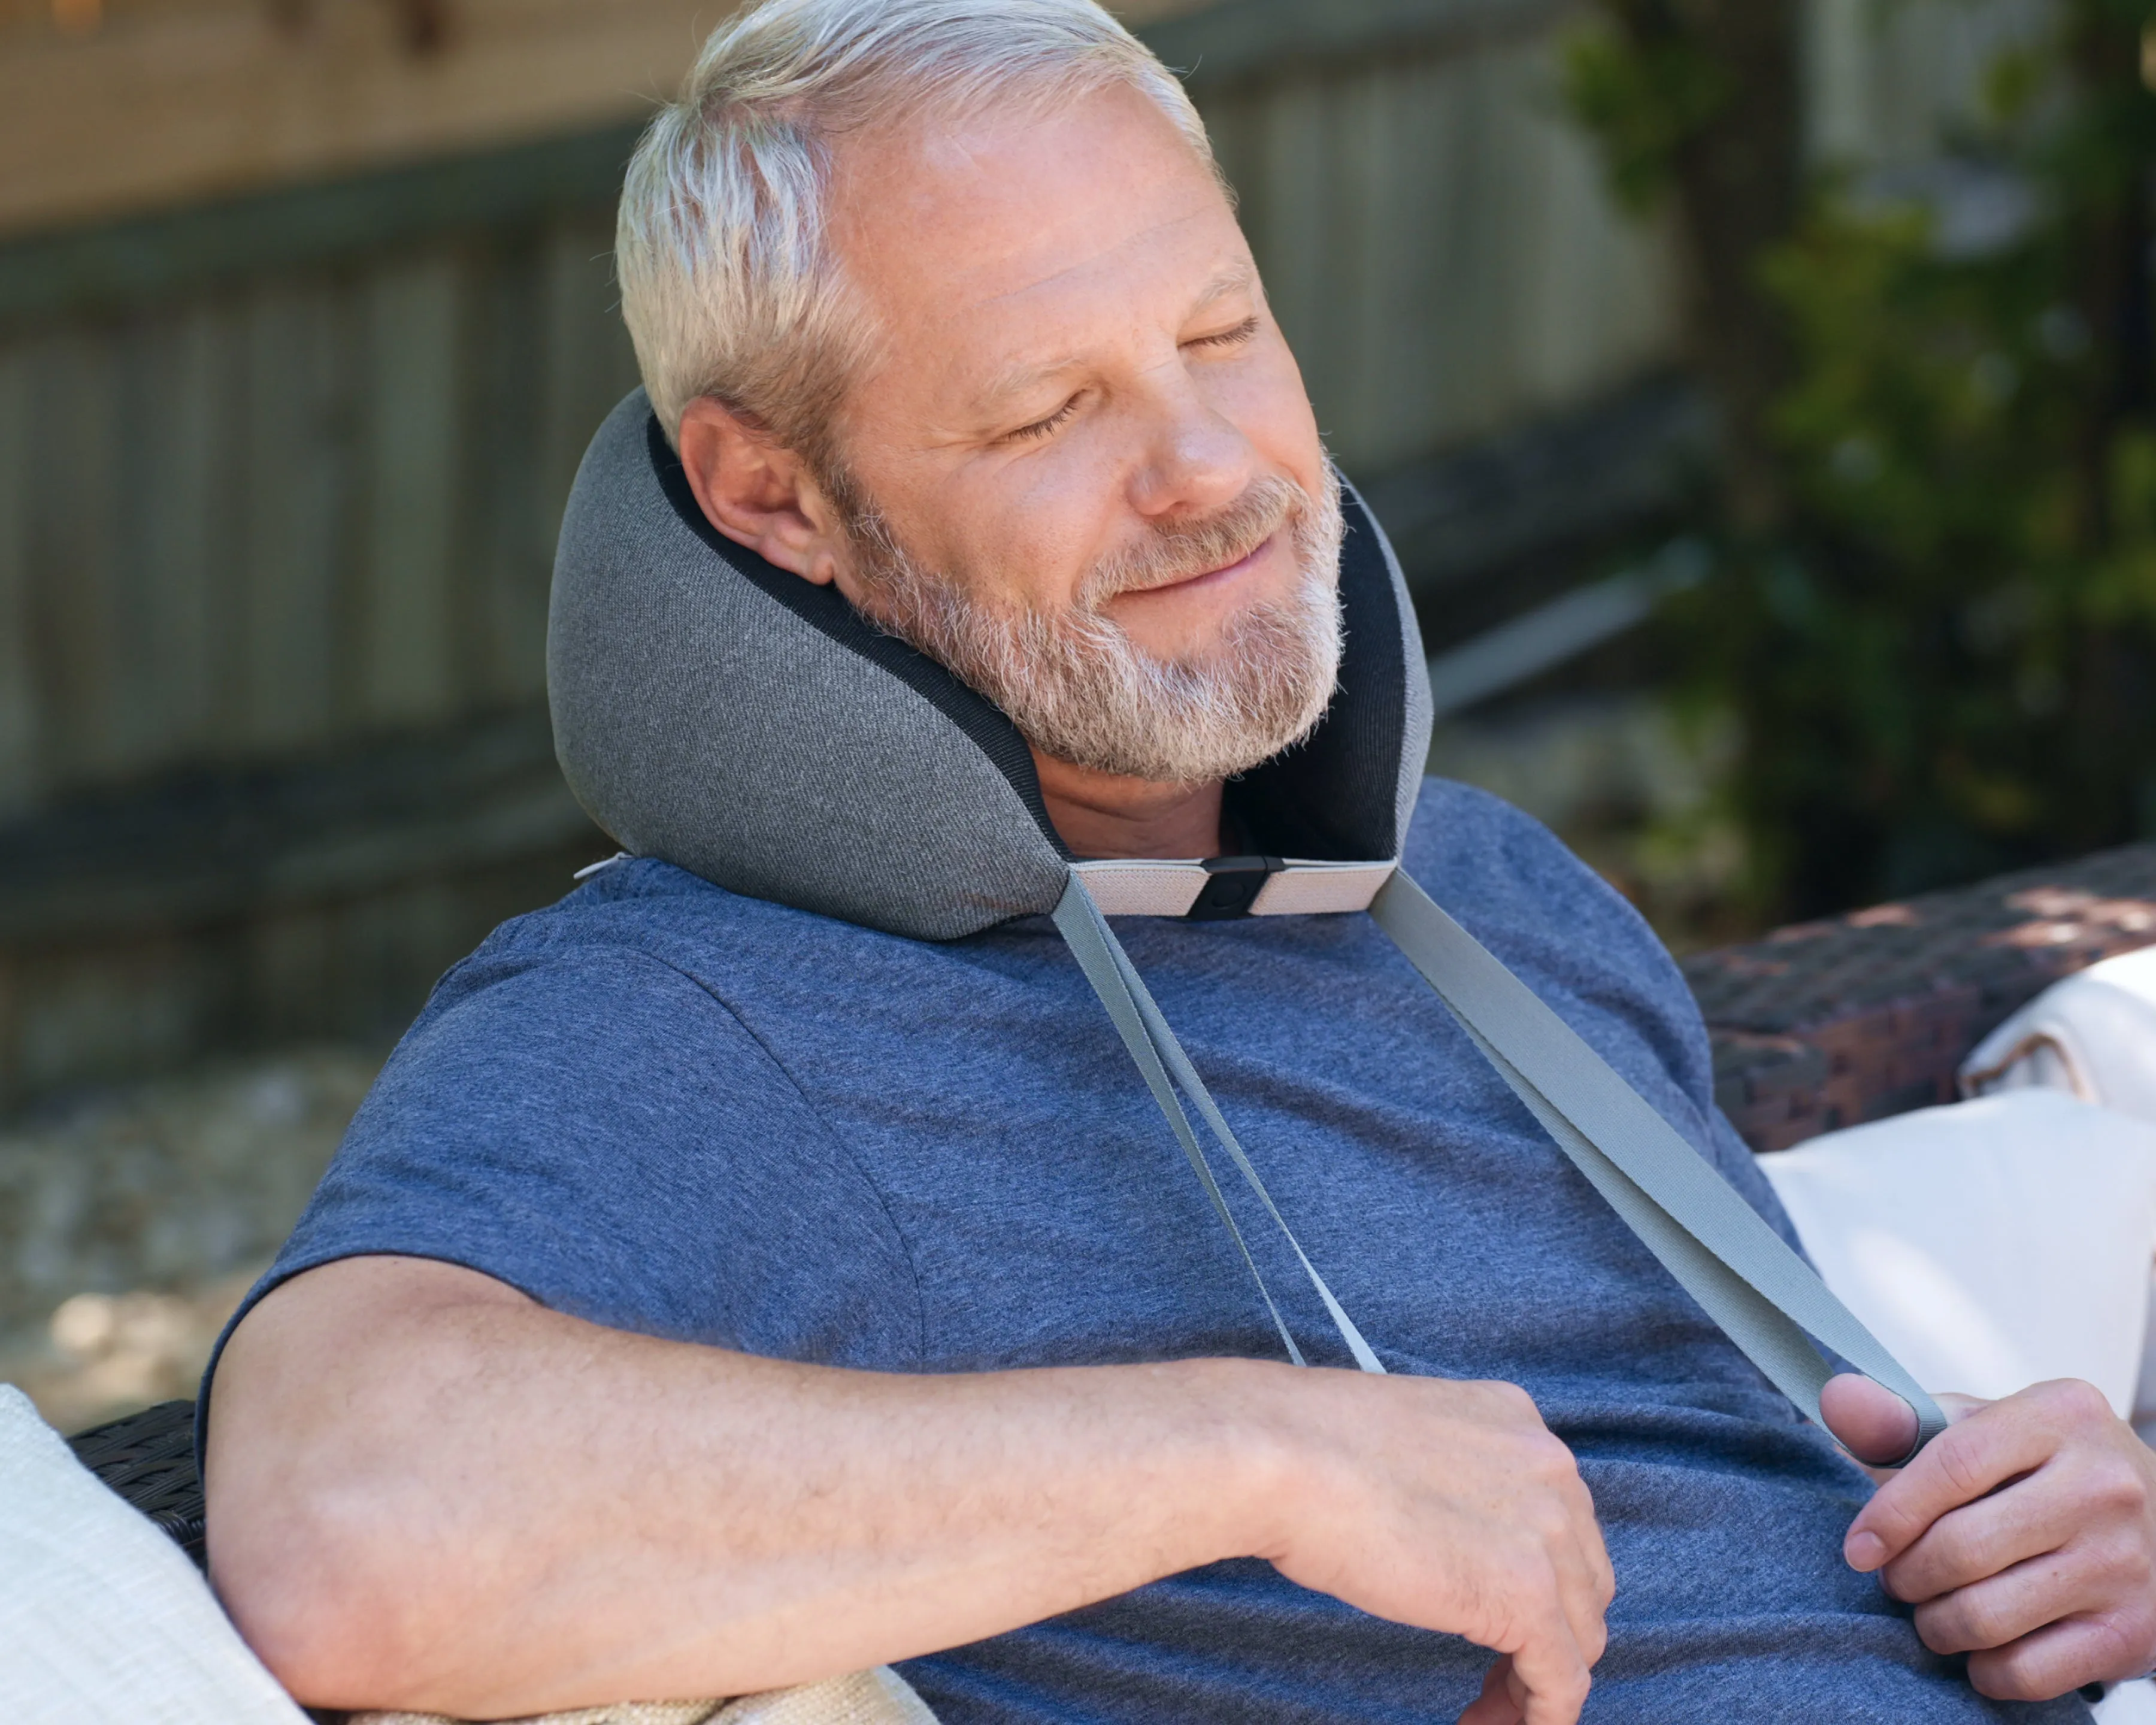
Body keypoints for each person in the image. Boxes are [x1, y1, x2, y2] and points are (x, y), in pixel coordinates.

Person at [201, 3, 2156, 1721]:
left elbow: (1760, 1505)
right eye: (1051, 408)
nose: (1210, 466)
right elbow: (347, 1523)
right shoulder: (709, 1012)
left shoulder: (1492, 893)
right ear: (774, 498)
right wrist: (1251, 1456)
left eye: (1221, 330)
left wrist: (2048, 1540)